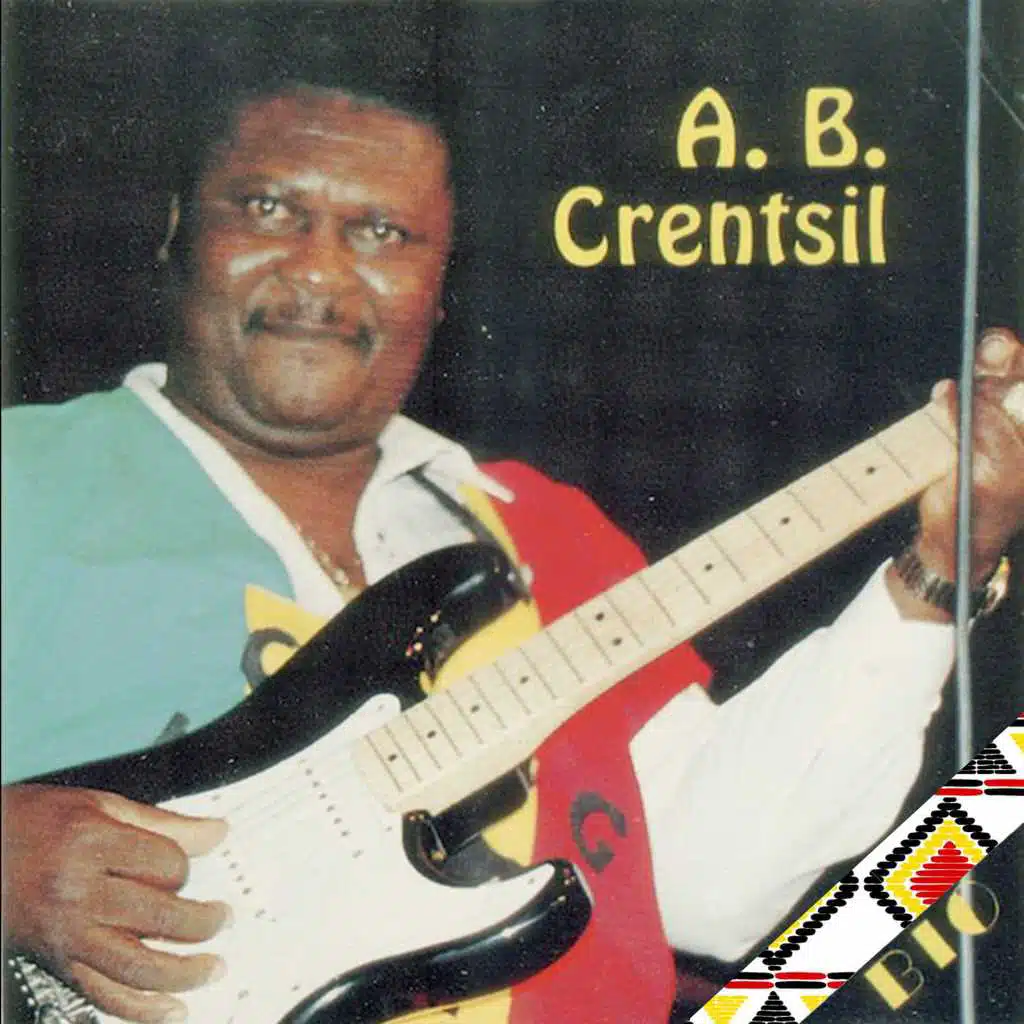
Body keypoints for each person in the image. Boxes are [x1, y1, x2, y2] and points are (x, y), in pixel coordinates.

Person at [2, 83, 1022, 1024]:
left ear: (439, 288)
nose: (319, 270)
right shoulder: (21, 478)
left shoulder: (543, 530)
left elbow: (712, 885)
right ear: (177, 233)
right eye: (269, 209)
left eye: (383, 233)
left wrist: (939, 566)